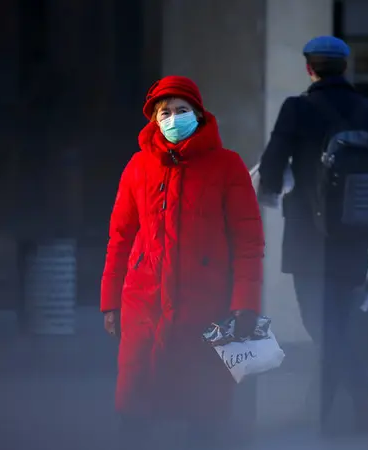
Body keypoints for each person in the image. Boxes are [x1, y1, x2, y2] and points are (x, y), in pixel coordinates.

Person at [100, 75, 265, 450]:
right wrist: (110, 301)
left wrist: (245, 302)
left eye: (181, 110)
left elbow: (248, 242)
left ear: (199, 113)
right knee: (136, 406)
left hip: (207, 305)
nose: (173, 119)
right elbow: (121, 238)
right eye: (165, 112)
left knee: (203, 410)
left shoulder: (227, 165)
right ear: (154, 120)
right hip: (144, 302)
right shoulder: (138, 167)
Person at [257, 36, 368, 433]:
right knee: (336, 325)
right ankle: (316, 411)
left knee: (322, 327)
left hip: (309, 237)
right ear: (344, 68)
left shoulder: (297, 109)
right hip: (357, 233)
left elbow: (271, 166)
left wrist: (272, 188)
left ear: (309, 69)